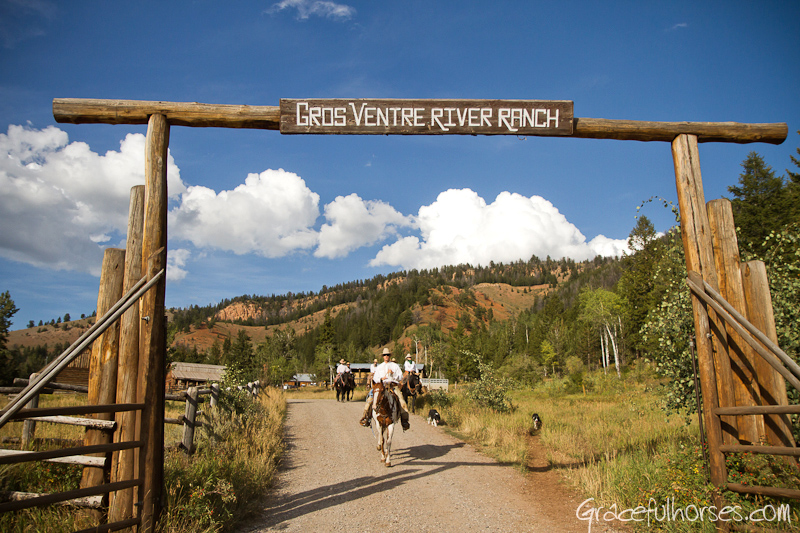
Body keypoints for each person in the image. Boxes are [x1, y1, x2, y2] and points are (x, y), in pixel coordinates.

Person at [360, 348, 411, 430]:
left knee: (402, 402)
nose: (386, 356)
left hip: (392, 386)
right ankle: (367, 417)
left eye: (387, 355)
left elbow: (400, 377)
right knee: (370, 399)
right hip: (381, 386)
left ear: (389, 356)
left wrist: (393, 374)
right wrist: (381, 378)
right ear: (383, 356)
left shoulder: (395, 366)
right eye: (384, 355)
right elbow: (376, 378)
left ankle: (404, 421)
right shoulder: (380, 367)